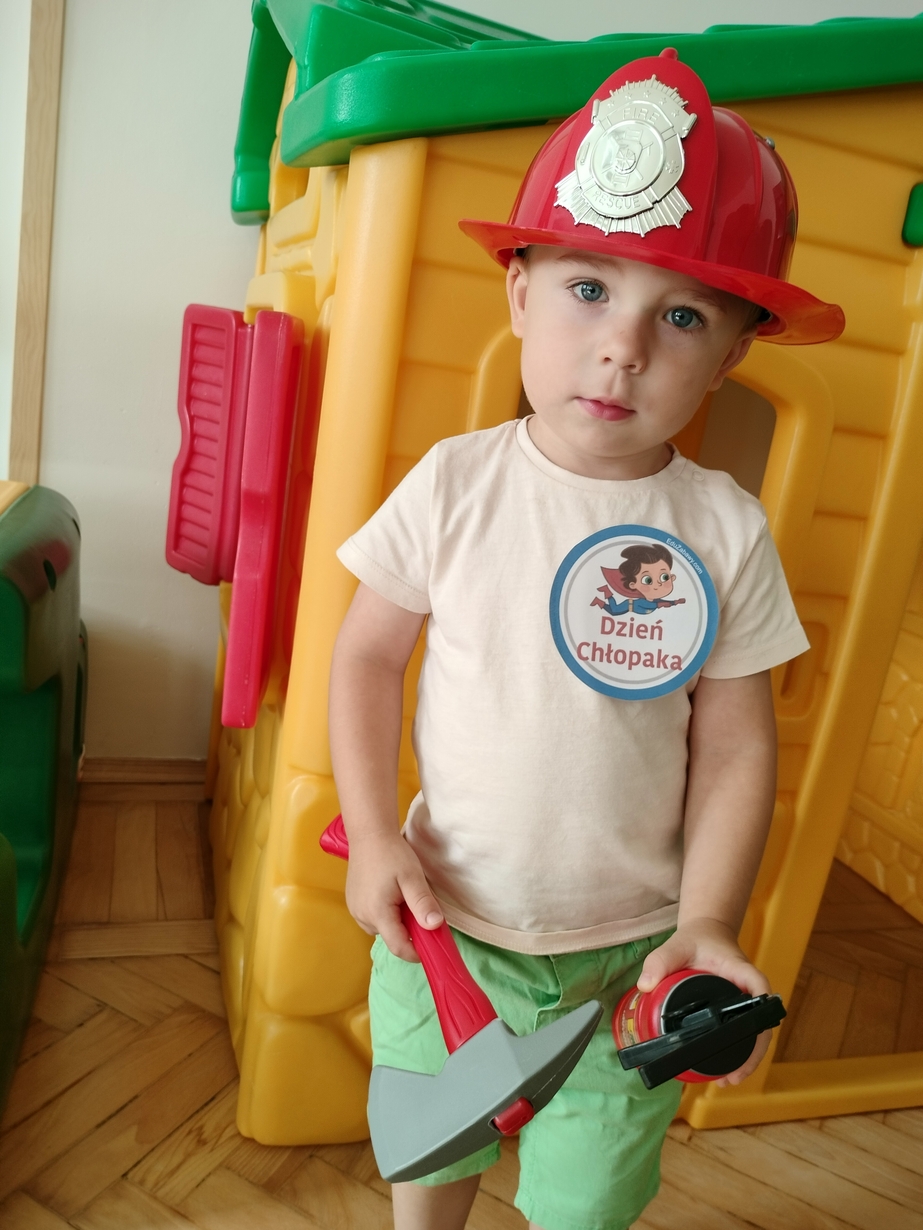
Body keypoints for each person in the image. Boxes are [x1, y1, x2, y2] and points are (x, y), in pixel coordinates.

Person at [328, 48, 844, 1230]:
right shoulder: (453, 484)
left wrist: (706, 921)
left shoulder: (722, 528)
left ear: (733, 353)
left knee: (587, 1202)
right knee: (430, 1157)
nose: (622, 346)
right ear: (517, 294)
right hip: (445, 924)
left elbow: (735, 748)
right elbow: (364, 658)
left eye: (680, 315)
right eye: (585, 290)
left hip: (634, 955)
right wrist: (371, 834)